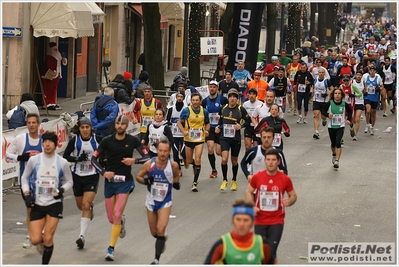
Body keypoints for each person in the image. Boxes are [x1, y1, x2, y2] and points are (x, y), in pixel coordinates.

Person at [91, 115, 150, 261]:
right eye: (118, 123)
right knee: (112, 219)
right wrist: (104, 172)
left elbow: (147, 157)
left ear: (127, 125)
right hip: (110, 183)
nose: (120, 126)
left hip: (125, 182)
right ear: (115, 125)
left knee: (116, 214)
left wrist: (134, 160)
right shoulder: (107, 141)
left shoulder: (132, 140)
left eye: (123, 123)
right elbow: (93, 159)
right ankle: (121, 221)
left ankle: (111, 249)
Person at [20, 131, 73, 264]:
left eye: (50, 142)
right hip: (37, 203)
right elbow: (24, 178)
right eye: (45, 141)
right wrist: (27, 194)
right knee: (35, 239)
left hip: (54, 203)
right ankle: (42, 242)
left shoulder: (62, 162)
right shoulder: (34, 160)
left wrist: (62, 190)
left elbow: (70, 181)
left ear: (55, 145)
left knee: (49, 237)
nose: (47, 144)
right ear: (42, 143)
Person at [245, 148, 297, 262]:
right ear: (265, 161)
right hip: (260, 220)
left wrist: (289, 201)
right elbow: (248, 191)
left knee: (270, 251)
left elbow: (293, 195)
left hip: (276, 221)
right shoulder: (257, 177)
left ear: (278, 162)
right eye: (268, 159)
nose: (271, 162)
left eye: (273, 160)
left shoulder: (285, 179)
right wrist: (251, 206)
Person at [136, 140, 180, 265]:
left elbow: (176, 175)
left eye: (165, 151)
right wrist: (145, 181)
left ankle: (156, 259)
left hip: (165, 201)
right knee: (154, 232)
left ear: (169, 152)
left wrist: (176, 183)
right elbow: (138, 177)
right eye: (160, 150)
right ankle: (161, 240)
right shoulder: (149, 164)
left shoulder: (173, 165)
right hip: (151, 200)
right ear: (157, 150)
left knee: (161, 229)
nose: (162, 153)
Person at [63, 117, 102, 249]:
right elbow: (66, 156)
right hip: (77, 176)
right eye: (82, 128)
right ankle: (89, 210)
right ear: (79, 129)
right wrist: (77, 158)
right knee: (81, 206)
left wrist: (104, 161)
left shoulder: (98, 140)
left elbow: (106, 152)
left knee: (85, 205)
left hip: (92, 175)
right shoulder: (75, 141)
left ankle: (81, 236)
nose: (85, 130)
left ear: (91, 128)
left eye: (87, 127)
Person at [6, 113, 42, 249]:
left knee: (40, 207)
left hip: (42, 181)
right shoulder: (21, 139)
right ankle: (30, 235)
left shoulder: (44, 141)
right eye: (29, 123)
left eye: (34, 123)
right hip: (25, 181)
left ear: (39, 124)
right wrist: (20, 157)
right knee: (30, 208)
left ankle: (39, 232)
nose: (31, 125)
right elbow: (8, 154)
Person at [204, 198, 275, 264]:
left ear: (253, 222)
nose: (241, 224)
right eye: (238, 219)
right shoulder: (222, 245)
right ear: (232, 221)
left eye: (246, 220)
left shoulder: (262, 244)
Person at [215, 89, 249, 191]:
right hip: (224, 137)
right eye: (231, 96)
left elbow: (248, 121)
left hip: (235, 138)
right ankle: (225, 180)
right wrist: (218, 127)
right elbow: (220, 120)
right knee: (224, 159)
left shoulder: (240, 109)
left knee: (234, 161)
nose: (232, 98)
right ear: (228, 98)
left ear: (237, 99)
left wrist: (241, 126)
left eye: (234, 97)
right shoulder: (223, 108)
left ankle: (234, 180)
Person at [177, 93, 210, 192]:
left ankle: (194, 183)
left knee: (198, 158)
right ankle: (194, 165)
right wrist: (183, 131)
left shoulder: (204, 111)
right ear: (191, 101)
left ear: (200, 101)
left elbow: (207, 123)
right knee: (188, 160)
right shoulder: (186, 110)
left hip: (200, 139)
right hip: (189, 139)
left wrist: (207, 130)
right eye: (193, 100)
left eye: (197, 100)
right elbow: (179, 122)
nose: (195, 102)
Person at [321, 88, 353, 169]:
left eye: (339, 93)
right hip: (331, 126)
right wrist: (328, 115)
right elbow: (323, 110)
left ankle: (337, 161)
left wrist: (349, 119)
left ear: (341, 95)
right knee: (333, 143)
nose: (337, 95)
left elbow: (350, 111)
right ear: (333, 95)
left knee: (338, 142)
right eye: (336, 93)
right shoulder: (330, 103)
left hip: (340, 126)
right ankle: (334, 154)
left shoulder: (344, 104)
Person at [202, 80, 228, 179]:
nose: (212, 88)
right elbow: (202, 114)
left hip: (220, 128)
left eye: (214, 87)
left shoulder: (222, 100)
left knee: (218, 152)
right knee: (210, 149)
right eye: (210, 87)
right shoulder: (205, 101)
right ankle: (214, 169)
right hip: (210, 128)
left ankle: (224, 158)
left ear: (217, 88)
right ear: (208, 88)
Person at [41, 42, 67, 110]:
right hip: (49, 76)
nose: (56, 50)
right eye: (54, 49)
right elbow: (49, 66)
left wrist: (64, 60)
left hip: (57, 75)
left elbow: (62, 62)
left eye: (56, 49)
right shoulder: (50, 55)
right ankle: (47, 103)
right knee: (48, 90)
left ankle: (52, 102)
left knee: (54, 90)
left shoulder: (58, 55)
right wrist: (53, 72)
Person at [311, 69, 334, 139]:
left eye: (322, 72)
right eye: (320, 72)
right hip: (316, 100)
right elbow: (312, 87)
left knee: (323, 116)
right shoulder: (315, 80)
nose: (321, 74)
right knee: (316, 115)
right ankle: (316, 131)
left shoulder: (327, 81)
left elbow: (332, 89)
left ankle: (324, 120)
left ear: (324, 73)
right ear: (318, 73)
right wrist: (311, 92)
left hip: (324, 101)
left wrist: (327, 94)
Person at [362, 65, 384, 135]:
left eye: (373, 71)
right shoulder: (366, 77)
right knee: (368, 111)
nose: (372, 72)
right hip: (367, 96)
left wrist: (379, 89)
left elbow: (382, 86)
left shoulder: (378, 77)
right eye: (371, 71)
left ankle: (372, 127)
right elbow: (363, 85)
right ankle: (367, 124)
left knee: (373, 113)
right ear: (369, 71)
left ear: (375, 71)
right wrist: (364, 91)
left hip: (375, 97)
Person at [351, 71, 366, 140]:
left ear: (361, 76)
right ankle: (352, 128)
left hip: (360, 102)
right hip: (353, 102)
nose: (359, 76)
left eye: (360, 75)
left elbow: (365, 90)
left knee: (357, 119)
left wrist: (365, 92)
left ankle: (355, 134)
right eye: (357, 75)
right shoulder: (352, 82)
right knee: (352, 120)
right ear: (355, 76)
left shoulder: (363, 82)